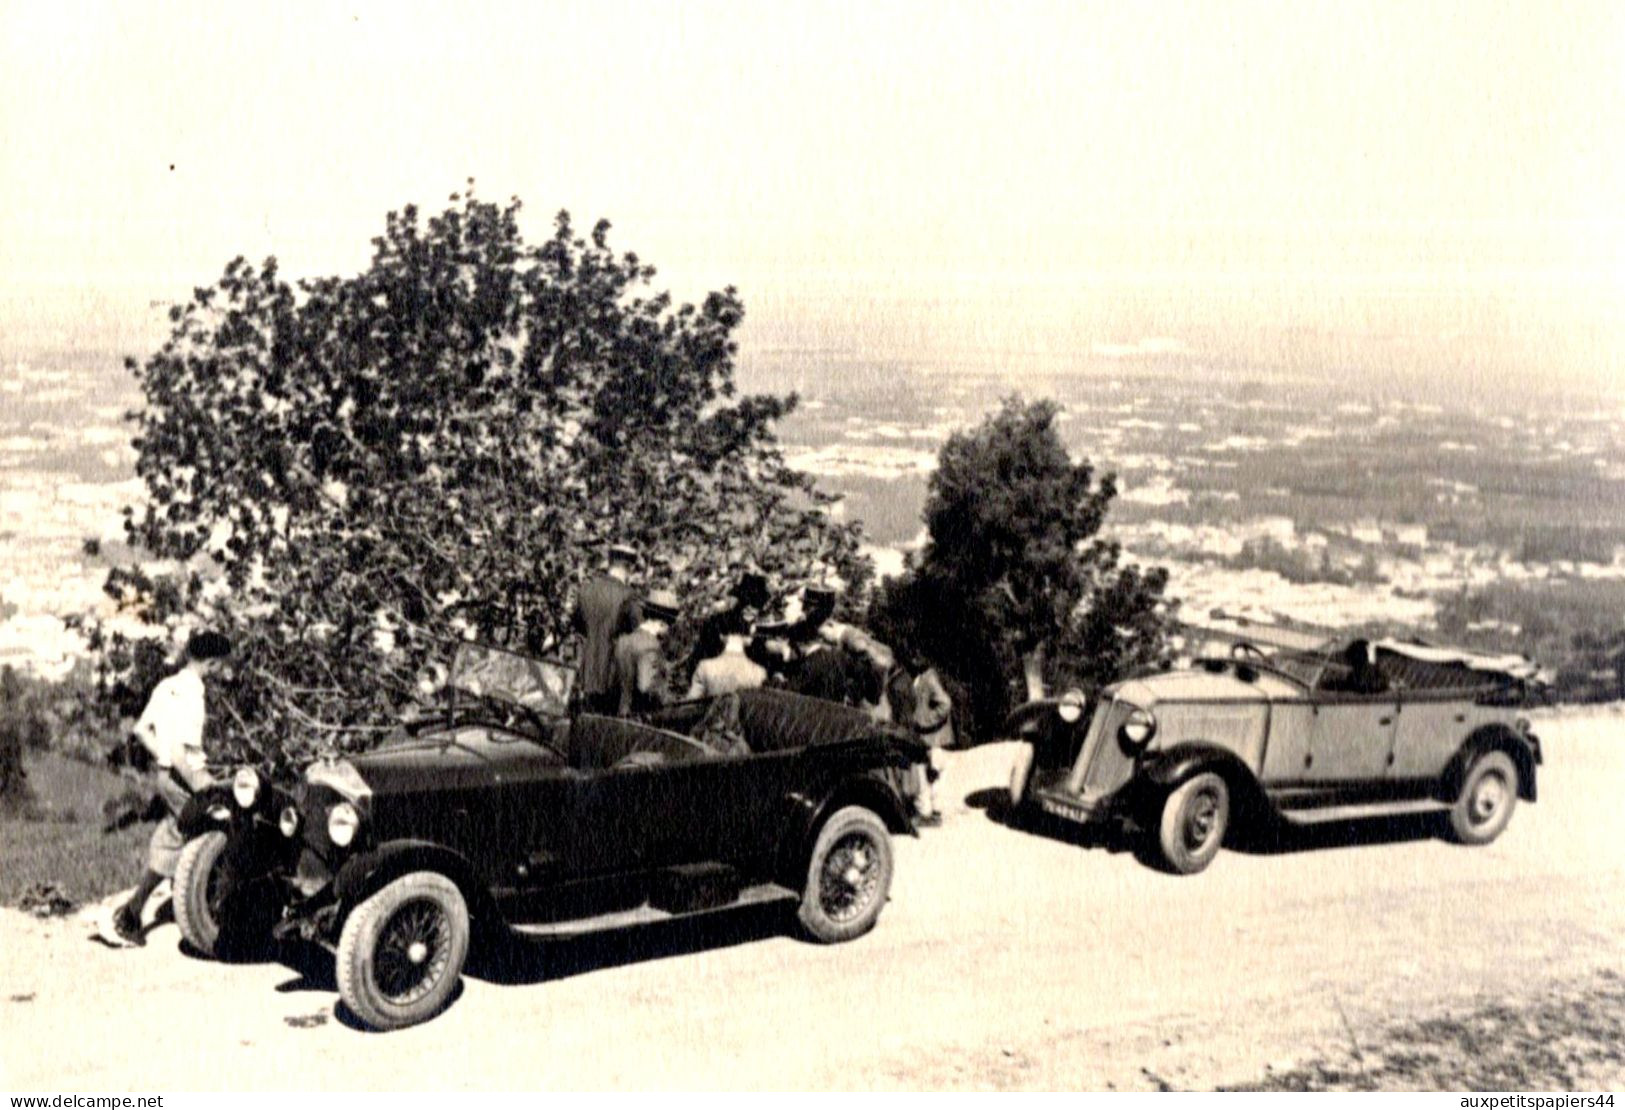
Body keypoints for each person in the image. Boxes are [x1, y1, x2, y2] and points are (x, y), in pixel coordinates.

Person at [106, 630, 231, 948]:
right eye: (219, 667)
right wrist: (203, 785)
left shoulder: (167, 685)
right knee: (222, 827)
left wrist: (163, 756)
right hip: (183, 776)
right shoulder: (193, 694)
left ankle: (141, 912)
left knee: (174, 836)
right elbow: (181, 751)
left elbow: (141, 729)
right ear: (213, 663)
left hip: (166, 777)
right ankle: (135, 916)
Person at [571, 544, 643, 714]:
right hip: (612, 678)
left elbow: (577, 627)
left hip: (585, 672)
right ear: (629, 568)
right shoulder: (628, 596)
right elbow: (639, 637)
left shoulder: (586, 590)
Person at [613, 590, 679, 717]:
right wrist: (667, 697)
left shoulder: (623, 640)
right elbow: (646, 686)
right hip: (640, 718)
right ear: (663, 623)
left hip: (620, 713)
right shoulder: (651, 647)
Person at [686, 620, 769, 700]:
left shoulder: (705, 668)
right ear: (749, 640)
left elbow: (690, 705)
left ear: (721, 637)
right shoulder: (759, 673)